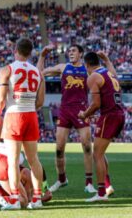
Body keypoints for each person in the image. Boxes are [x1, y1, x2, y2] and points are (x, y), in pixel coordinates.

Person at [37, 44, 96, 193]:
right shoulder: (63, 67)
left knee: (87, 146)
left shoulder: (87, 70)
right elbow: (39, 73)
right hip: (65, 110)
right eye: (69, 51)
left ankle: (89, 183)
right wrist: (42, 56)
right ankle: (61, 179)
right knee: (59, 149)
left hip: (82, 110)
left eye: (74, 51)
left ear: (81, 54)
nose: (70, 53)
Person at [0, 38, 45, 210]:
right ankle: (37, 198)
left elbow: (1, 97)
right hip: (31, 115)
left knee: (13, 160)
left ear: (15, 49)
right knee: (33, 160)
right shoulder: (37, 72)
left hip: (14, 114)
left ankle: (15, 199)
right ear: (30, 52)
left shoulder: (7, 69)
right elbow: (40, 101)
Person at [78, 51, 124, 202]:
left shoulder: (93, 77)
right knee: (101, 153)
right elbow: (115, 75)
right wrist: (107, 59)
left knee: (96, 154)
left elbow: (96, 104)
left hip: (109, 116)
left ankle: (101, 193)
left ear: (86, 65)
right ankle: (107, 186)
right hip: (119, 114)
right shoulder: (108, 73)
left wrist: (84, 114)